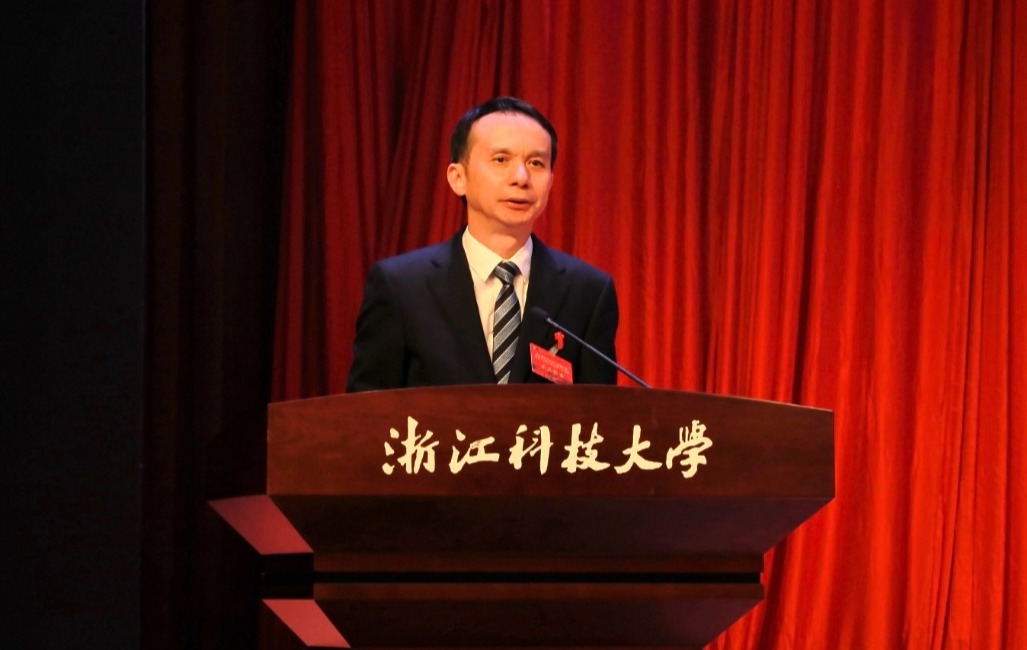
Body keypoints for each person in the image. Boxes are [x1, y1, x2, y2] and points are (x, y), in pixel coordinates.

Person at [346, 97, 619, 392]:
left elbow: (598, 413)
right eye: (501, 160)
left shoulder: (588, 292)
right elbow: (367, 410)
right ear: (458, 178)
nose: (521, 178)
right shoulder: (401, 287)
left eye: (536, 163)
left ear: (550, 182)